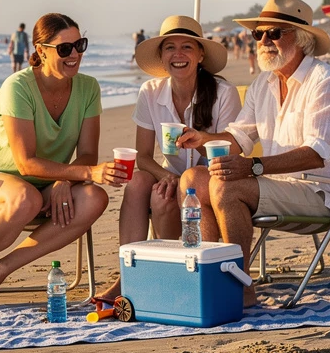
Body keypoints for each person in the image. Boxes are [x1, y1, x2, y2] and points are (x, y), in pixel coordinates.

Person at [0, 12, 123, 315]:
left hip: (46, 184)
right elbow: (26, 162)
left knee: (95, 197)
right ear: (41, 51)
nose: (75, 55)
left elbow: (87, 153)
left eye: (80, 45)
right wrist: (82, 173)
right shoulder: (17, 86)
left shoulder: (88, 88)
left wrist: (64, 180)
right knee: (24, 197)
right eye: (65, 48)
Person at [177, 0, 330, 308]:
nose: (264, 41)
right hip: (279, 184)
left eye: (274, 33)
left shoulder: (324, 82)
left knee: (226, 186)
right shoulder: (264, 82)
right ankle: (209, 277)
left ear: (300, 38)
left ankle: (240, 285)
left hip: (322, 192)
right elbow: (239, 136)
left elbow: (317, 154)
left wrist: (254, 166)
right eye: (258, 34)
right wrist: (203, 138)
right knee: (193, 178)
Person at [94, 15, 242, 305]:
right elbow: (144, 157)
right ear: (161, 57)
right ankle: (129, 275)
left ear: (200, 55)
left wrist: (199, 141)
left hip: (211, 182)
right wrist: (168, 178)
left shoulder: (224, 94)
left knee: (165, 198)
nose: (178, 54)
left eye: (187, 47)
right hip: (171, 177)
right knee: (139, 183)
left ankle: (172, 274)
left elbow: (231, 153)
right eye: (170, 47)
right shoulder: (150, 92)